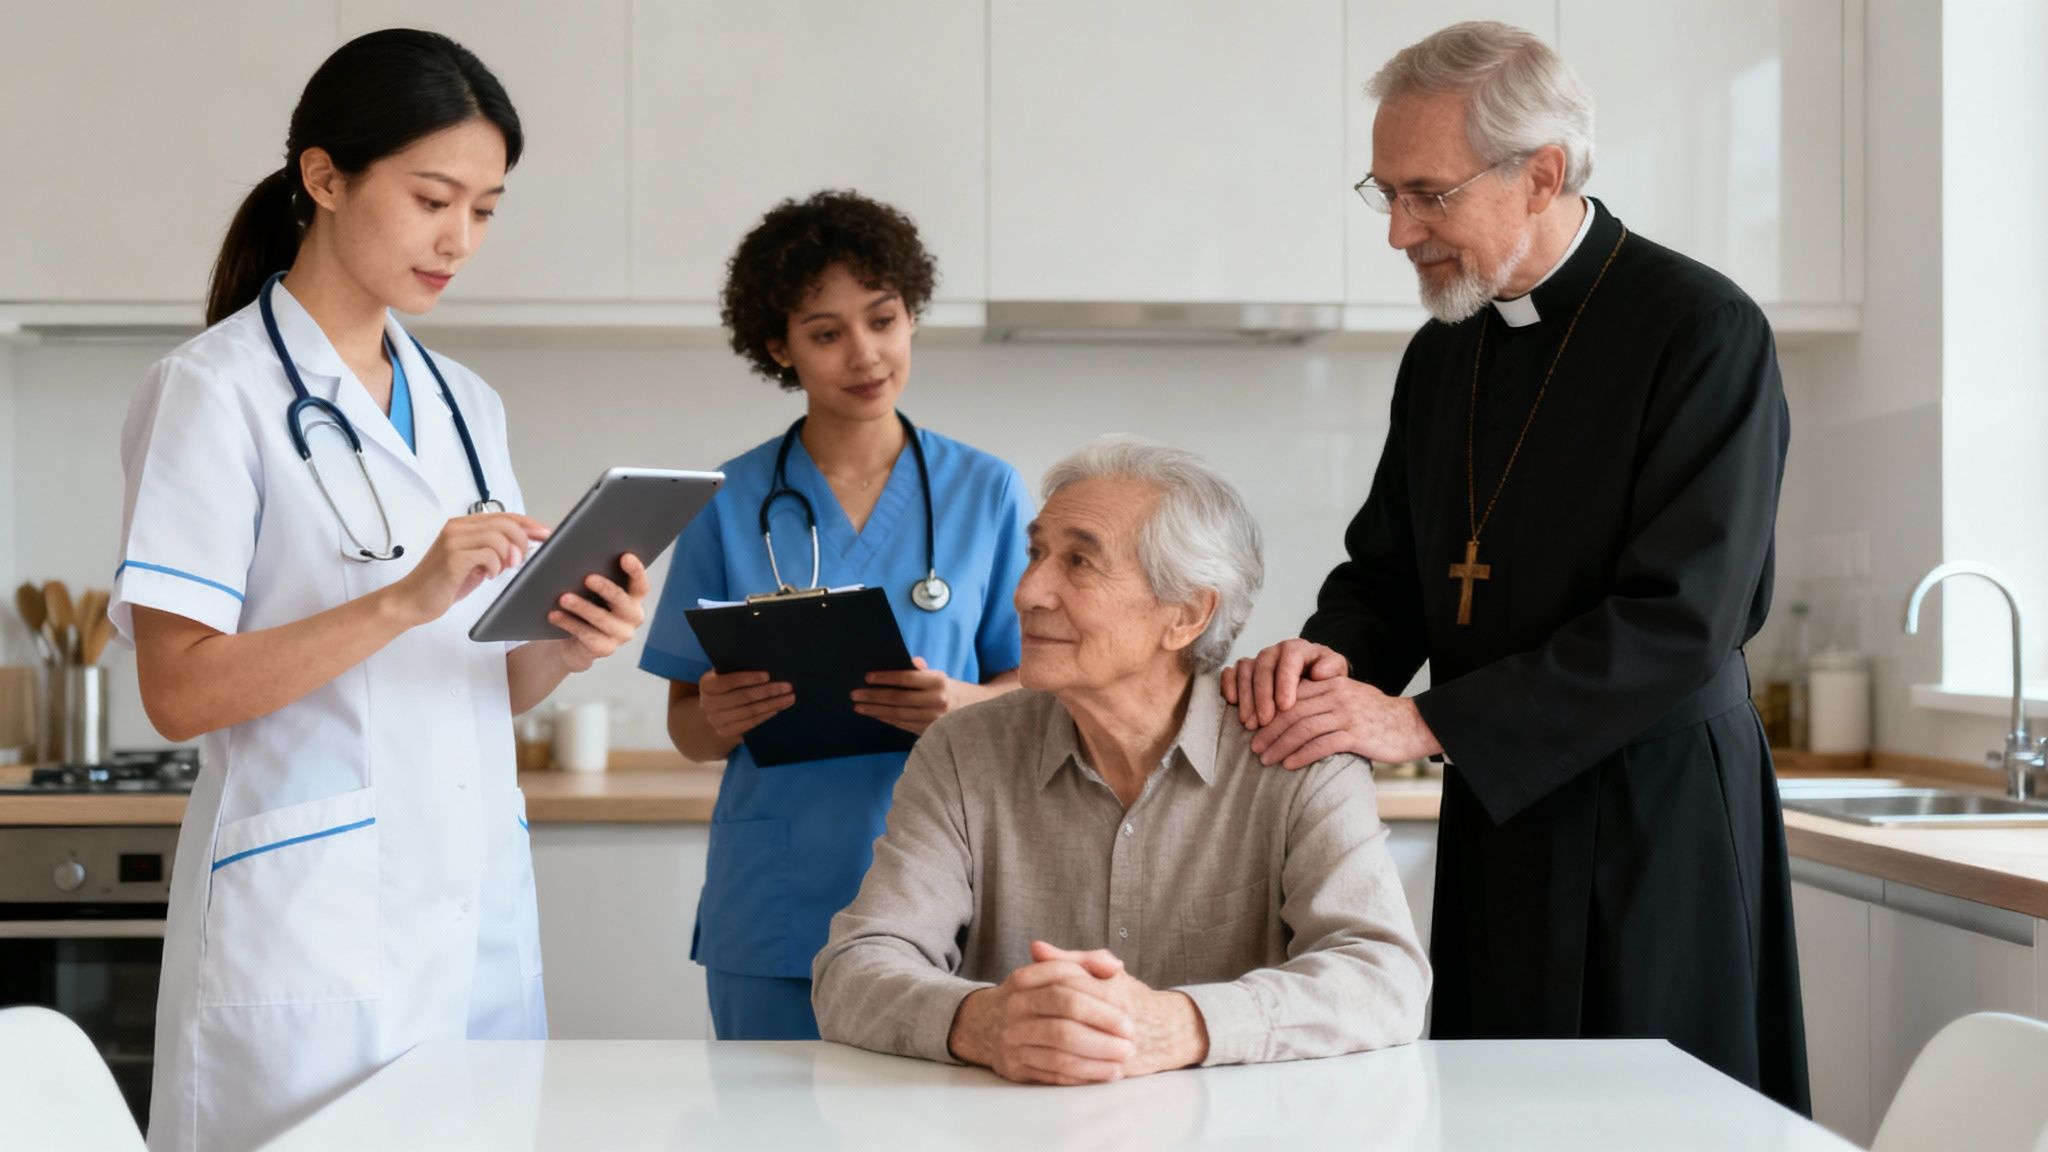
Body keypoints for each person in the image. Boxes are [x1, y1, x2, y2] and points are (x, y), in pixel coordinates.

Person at [1223, 21, 1808, 1110]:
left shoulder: (1700, 328)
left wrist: (1423, 722)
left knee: (1658, 1120)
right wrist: (1323, 667)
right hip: (1502, 813)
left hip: (1654, 822)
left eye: (1427, 195)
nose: (1398, 231)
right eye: (1385, 192)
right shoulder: (1443, 349)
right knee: (1496, 1108)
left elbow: (1683, 616)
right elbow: (1387, 572)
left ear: (1540, 174)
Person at [112, 30, 652, 1151]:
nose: (459, 239)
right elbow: (177, 691)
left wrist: (566, 644)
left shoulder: (466, 405)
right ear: (325, 177)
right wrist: (402, 600)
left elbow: (479, 686)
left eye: (485, 210)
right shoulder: (213, 392)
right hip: (310, 935)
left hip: (473, 922)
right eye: (431, 199)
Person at [813, 438, 1429, 1083]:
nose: (1028, 592)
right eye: (1035, 554)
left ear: (1186, 614)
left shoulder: (1298, 755)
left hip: (1239, 1125)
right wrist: (982, 1022)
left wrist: (1182, 1025)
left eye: (1079, 561)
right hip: (1014, 1121)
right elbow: (854, 967)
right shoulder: (963, 752)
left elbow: (1383, 979)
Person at [641, 191, 1032, 1040]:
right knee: (763, 1111)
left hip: (947, 889)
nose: (865, 354)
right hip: (777, 897)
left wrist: (961, 703)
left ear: (911, 314)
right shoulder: (726, 500)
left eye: (883, 320)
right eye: (825, 333)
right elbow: (686, 727)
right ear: (779, 347)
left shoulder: (987, 492)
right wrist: (718, 715)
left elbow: (1040, 689)